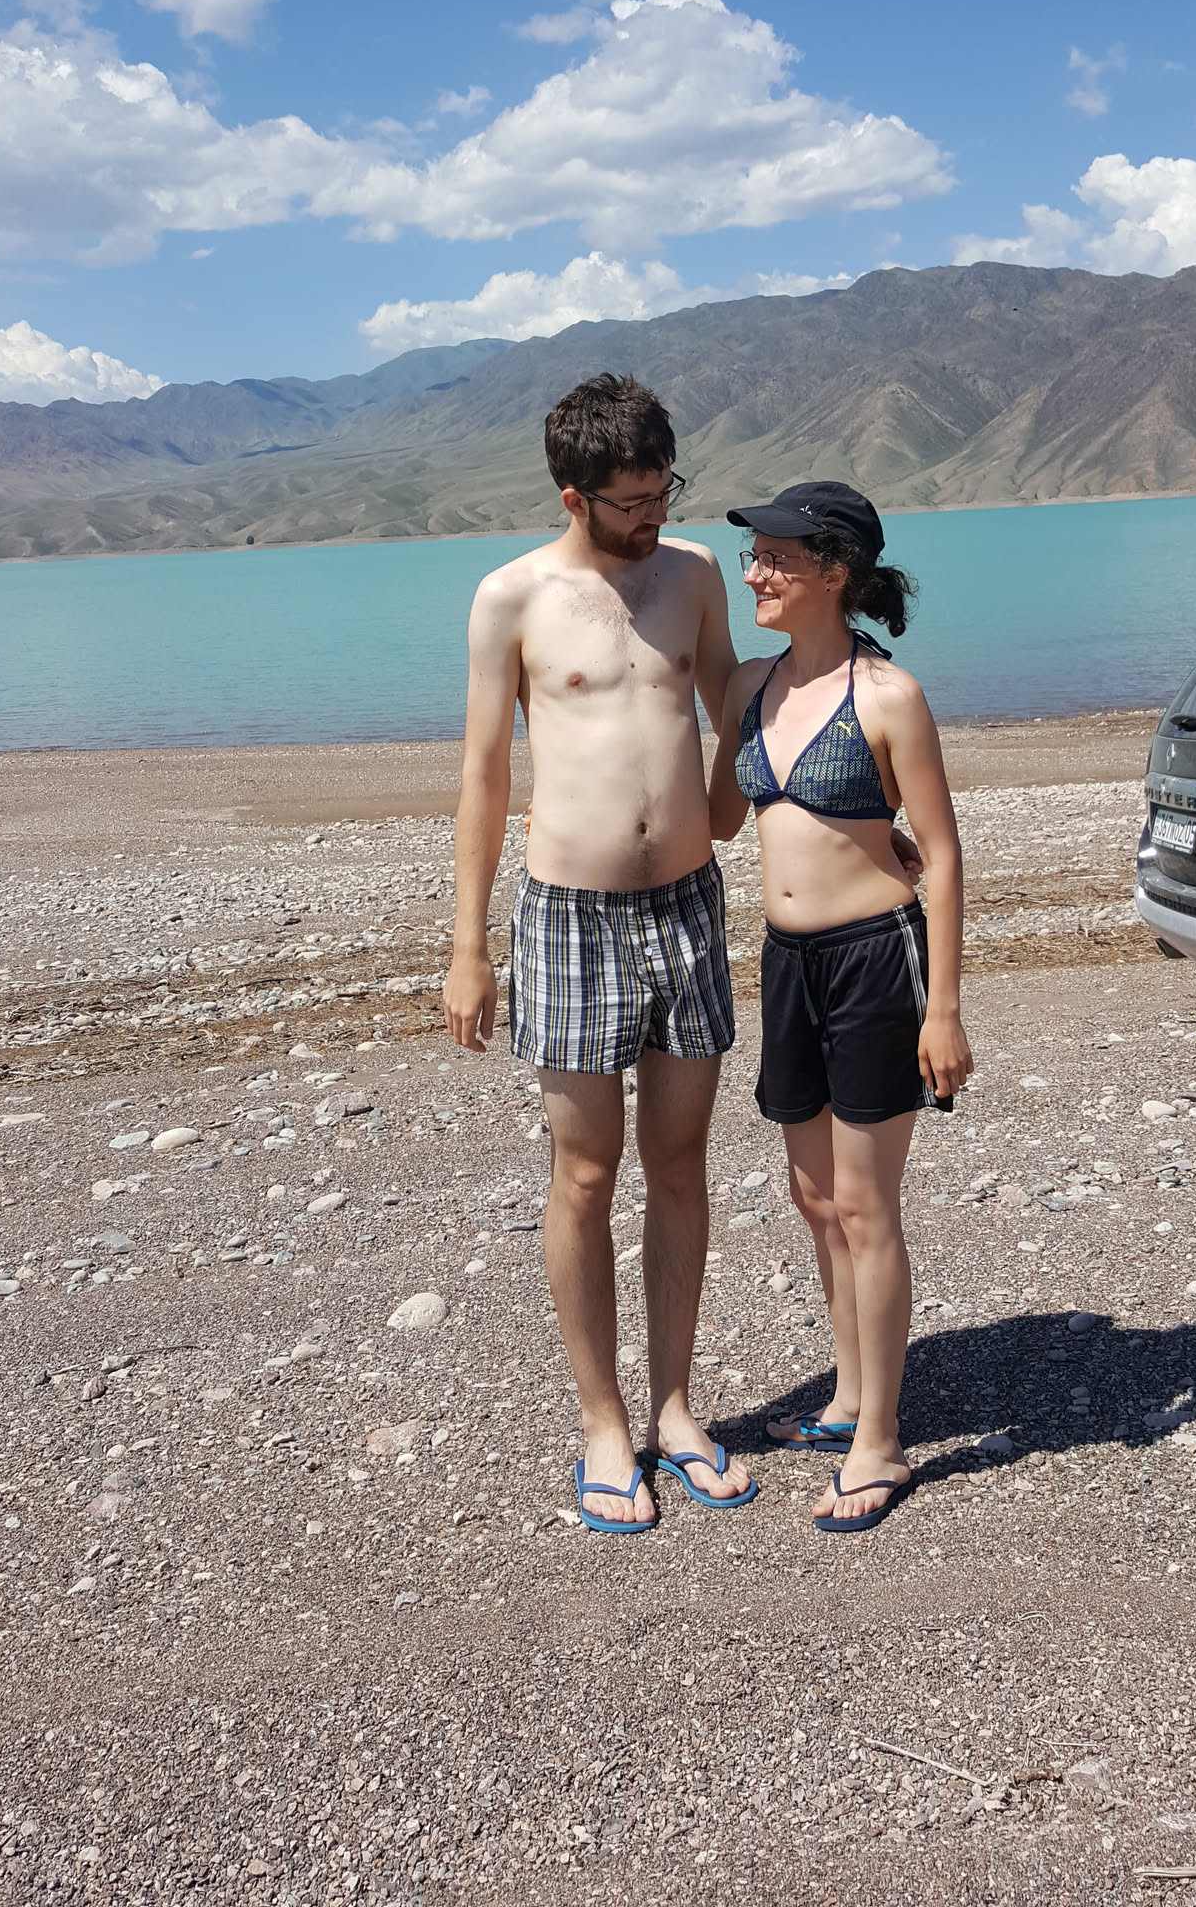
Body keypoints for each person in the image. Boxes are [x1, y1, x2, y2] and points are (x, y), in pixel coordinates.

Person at [442, 373, 756, 1533]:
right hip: (570, 916)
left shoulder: (695, 575)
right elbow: (483, 776)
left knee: (680, 1162)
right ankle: (602, 1423)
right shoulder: (511, 598)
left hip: (688, 905)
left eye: (665, 490)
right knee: (584, 1173)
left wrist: (844, 810)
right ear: (573, 496)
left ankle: (674, 1408)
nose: (654, 515)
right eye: (631, 501)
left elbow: (738, 709)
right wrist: (467, 946)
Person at [708, 481, 973, 1534]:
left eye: (775, 556)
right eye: (754, 556)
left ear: (835, 571)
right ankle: (851, 1393)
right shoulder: (748, 684)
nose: (755, 572)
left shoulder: (890, 697)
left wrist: (943, 1011)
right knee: (814, 1198)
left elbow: (942, 855)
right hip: (787, 965)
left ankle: (883, 1444)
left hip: (875, 963)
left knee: (865, 1206)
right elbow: (723, 816)